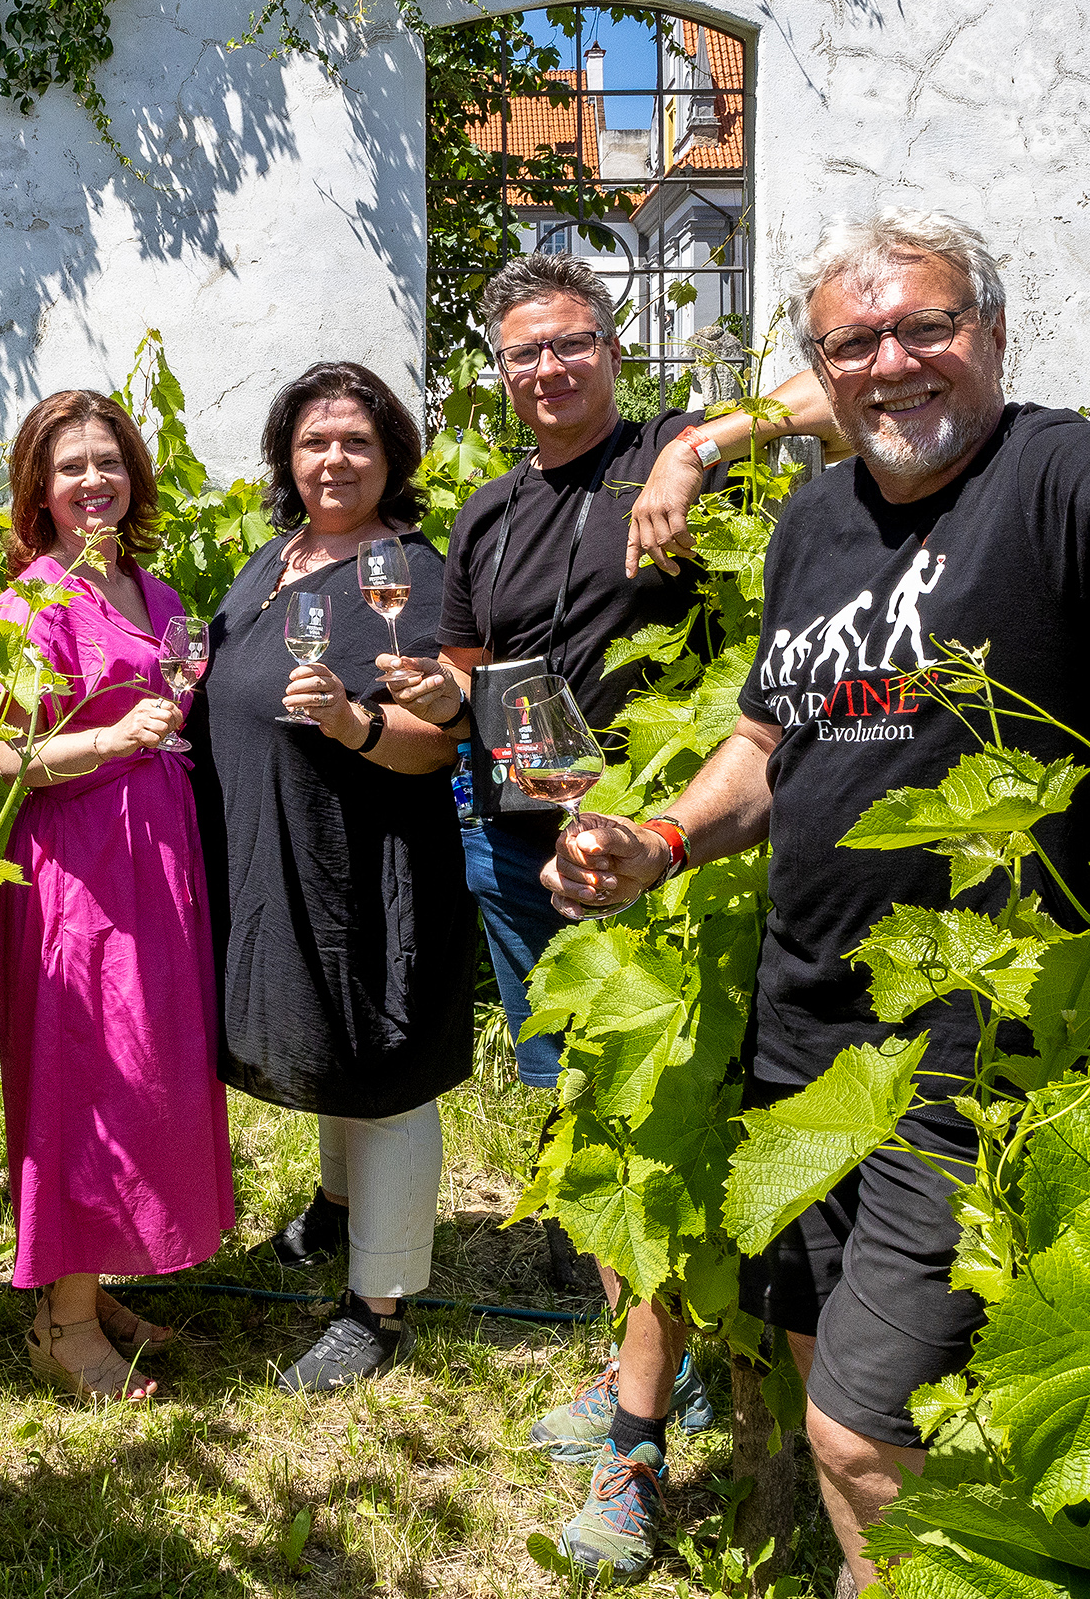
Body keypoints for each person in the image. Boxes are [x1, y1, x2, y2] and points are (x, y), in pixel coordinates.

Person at [541, 207, 1090, 1588]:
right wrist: (660, 836)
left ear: (989, 331)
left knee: (863, 1437)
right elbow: (771, 741)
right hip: (805, 1020)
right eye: (854, 341)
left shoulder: (1050, 473)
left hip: (976, 1048)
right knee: (826, 1354)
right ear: (822, 369)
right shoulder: (814, 522)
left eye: (926, 325)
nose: (893, 362)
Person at [381, 250, 839, 1576]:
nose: (549, 369)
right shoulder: (488, 512)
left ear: (612, 346)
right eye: (524, 352)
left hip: (669, 849)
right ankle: (649, 1361)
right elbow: (476, 657)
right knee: (589, 1120)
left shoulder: (681, 454)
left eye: (571, 343)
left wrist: (706, 450)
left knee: (665, 1113)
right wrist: (434, 681)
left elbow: (839, 401)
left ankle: (678, 1408)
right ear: (503, 370)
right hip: (523, 846)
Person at [187, 363, 476, 1392]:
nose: (334, 458)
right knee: (322, 1024)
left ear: (392, 453)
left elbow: (440, 739)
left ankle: (379, 1302)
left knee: (380, 1050)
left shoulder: (418, 574)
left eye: (355, 440)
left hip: (370, 853)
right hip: (279, 844)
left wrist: (354, 726)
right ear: (287, 460)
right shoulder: (273, 558)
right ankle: (339, 1203)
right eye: (314, 442)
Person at [0, 390, 235, 1402]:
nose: (94, 481)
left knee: (148, 1069)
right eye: (71, 466)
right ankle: (62, 1317)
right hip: (79, 866)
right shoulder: (27, 605)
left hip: (157, 854)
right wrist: (104, 740)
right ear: (36, 492)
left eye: (109, 462)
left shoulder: (159, 591)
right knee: (84, 1075)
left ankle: (95, 1275)